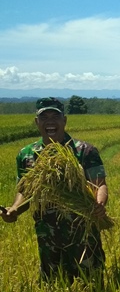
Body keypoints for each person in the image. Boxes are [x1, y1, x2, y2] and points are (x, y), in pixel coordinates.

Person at [0, 97, 107, 281]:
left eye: (55, 116)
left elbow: (100, 184)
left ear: (64, 120)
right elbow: (24, 190)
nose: (50, 121)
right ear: (37, 122)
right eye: (44, 117)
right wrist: (14, 209)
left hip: (82, 234)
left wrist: (99, 203)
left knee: (90, 285)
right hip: (47, 237)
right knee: (53, 287)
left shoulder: (84, 151)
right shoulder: (27, 155)